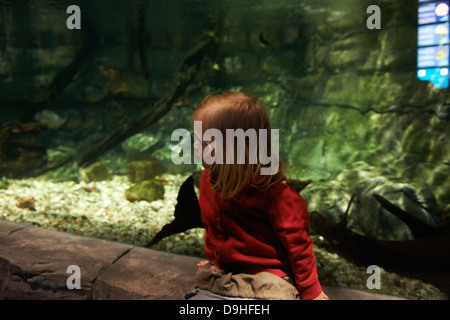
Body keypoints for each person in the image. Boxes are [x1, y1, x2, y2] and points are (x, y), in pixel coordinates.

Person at [190, 91, 329, 300]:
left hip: (268, 277)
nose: (194, 146)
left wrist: (312, 292)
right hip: (228, 273)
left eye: (202, 142)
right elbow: (211, 228)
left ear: (235, 149)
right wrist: (214, 261)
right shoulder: (208, 179)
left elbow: (299, 247)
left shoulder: (275, 195)